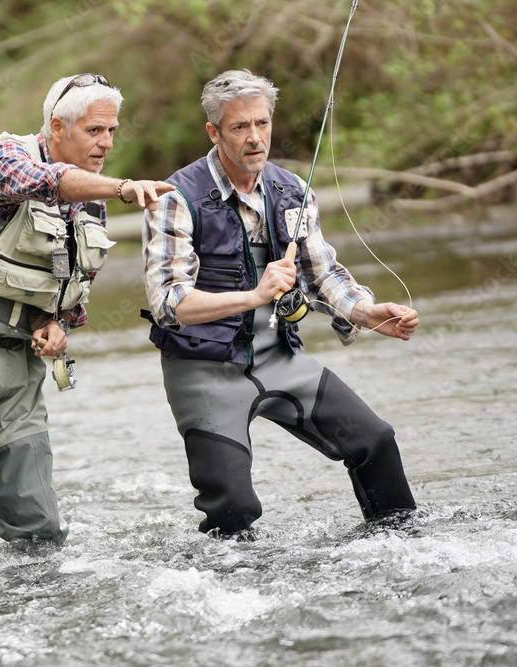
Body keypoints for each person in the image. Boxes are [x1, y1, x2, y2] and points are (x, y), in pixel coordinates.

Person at [0, 73, 173, 561]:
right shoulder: (1, 158)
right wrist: (121, 187)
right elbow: (43, 182)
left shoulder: (91, 200)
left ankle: (33, 609)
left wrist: (58, 324)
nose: (107, 142)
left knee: (39, 527)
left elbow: (73, 285)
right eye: (96, 131)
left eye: (112, 131)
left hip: (21, 367)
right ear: (56, 126)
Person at [142, 69, 418, 538]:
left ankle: (403, 548)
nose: (255, 138)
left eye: (263, 124)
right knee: (233, 509)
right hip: (203, 369)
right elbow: (168, 301)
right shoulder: (176, 197)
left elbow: (321, 271)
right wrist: (253, 296)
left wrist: (364, 312)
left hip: (280, 356)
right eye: (239, 127)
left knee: (375, 440)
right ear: (214, 132)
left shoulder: (292, 189)